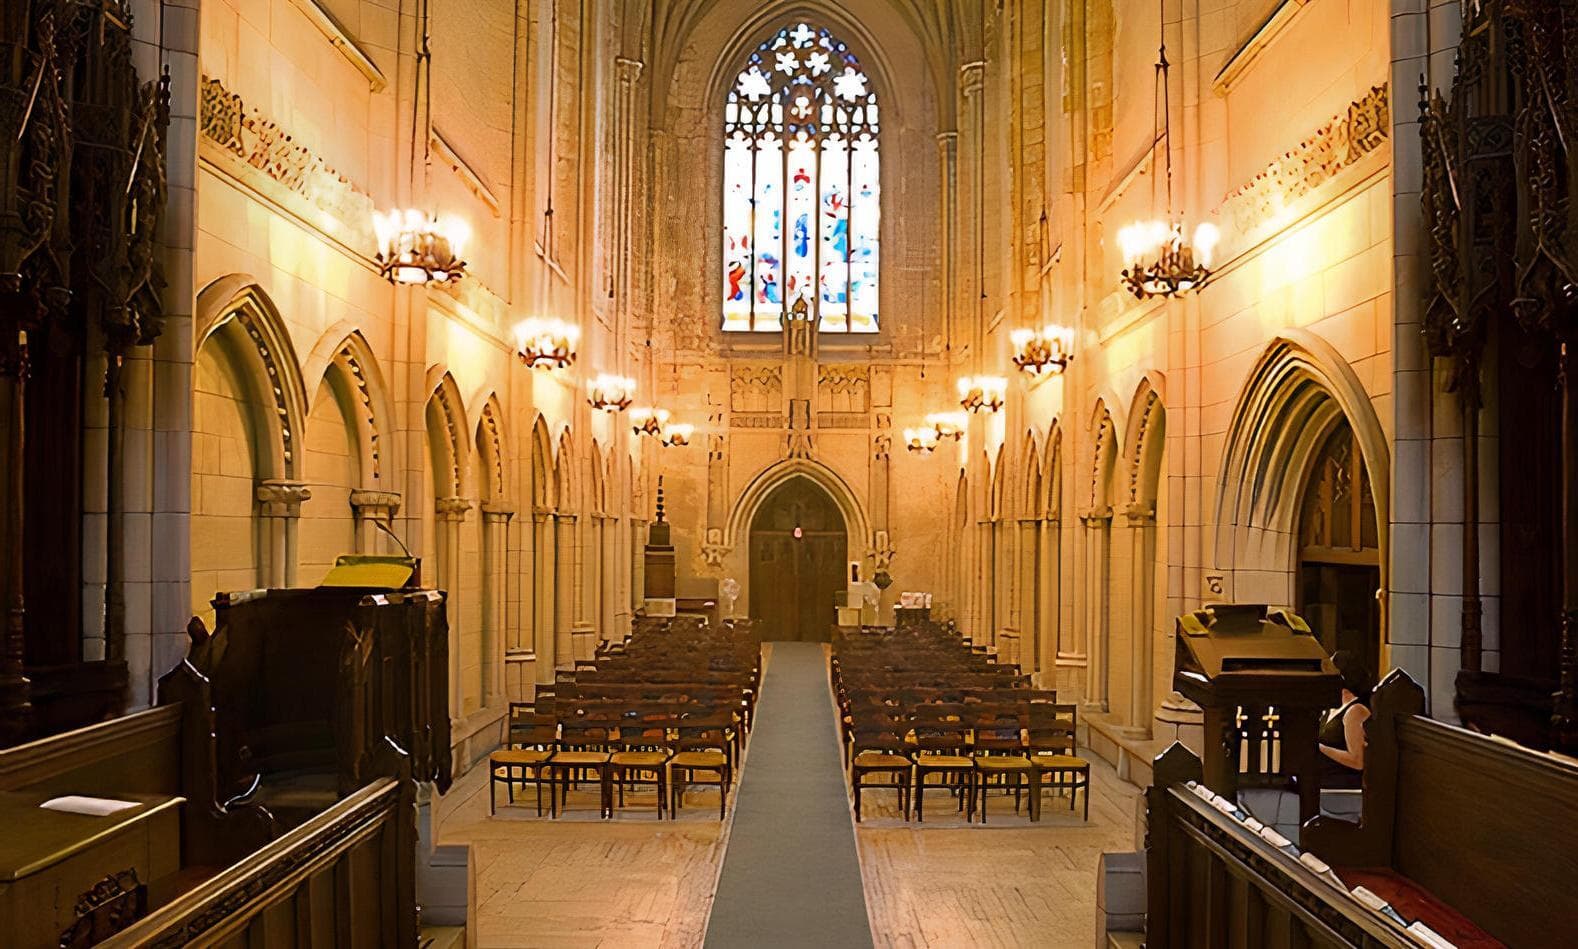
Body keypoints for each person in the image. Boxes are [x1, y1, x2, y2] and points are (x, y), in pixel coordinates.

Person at [1318, 650, 1374, 787]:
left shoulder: (1355, 711)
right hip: (1322, 780)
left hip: (1341, 784)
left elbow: (1358, 761)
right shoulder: (1332, 706)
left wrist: (1320, 747)